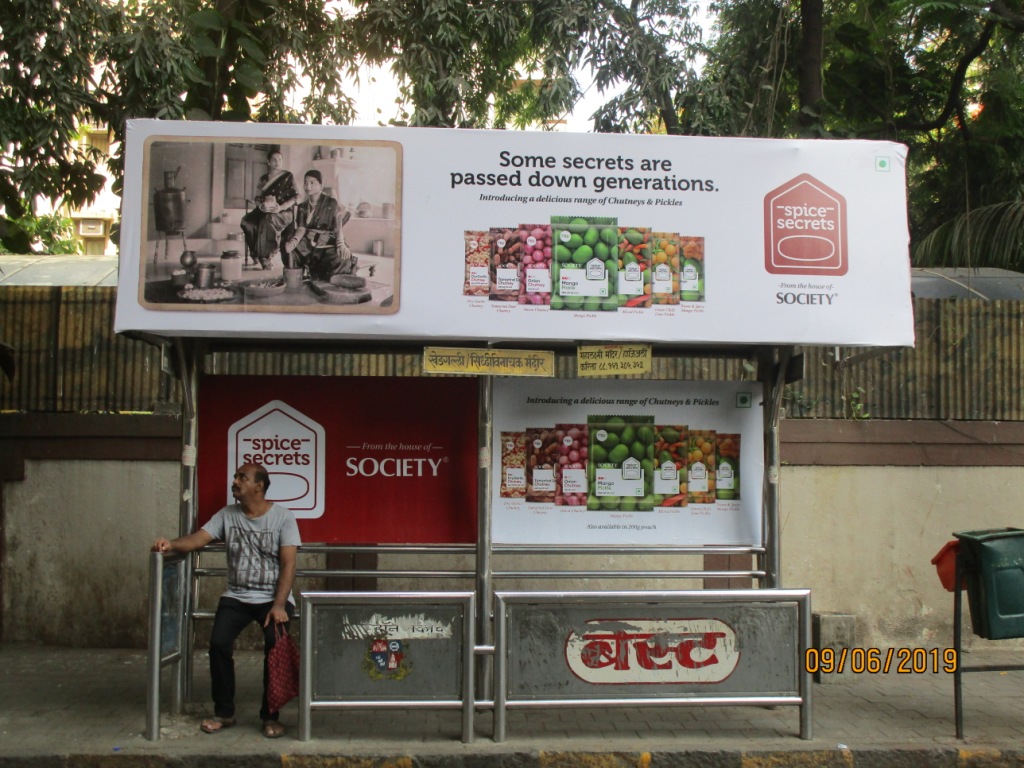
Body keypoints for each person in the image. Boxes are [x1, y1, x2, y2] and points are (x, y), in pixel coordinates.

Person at [151, 463, 300, 739]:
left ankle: (270, 716)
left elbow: (289, 565)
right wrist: (170, 544)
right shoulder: (226, 515)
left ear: (259, 486)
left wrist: (279, 605)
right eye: (235, 476)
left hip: (273, 598)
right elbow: (197, 539)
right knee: (218, 644)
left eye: (242, 477)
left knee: (275, 646)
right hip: (237, 596)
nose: (235, 481)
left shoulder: (283, 517)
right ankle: (224, 713)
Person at [281, 169, 358, 282]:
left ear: (321, 186)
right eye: (306, 182)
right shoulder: (302, 207)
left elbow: (337, 227)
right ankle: (302, 272)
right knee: (287, 244)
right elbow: (302, 228)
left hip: (328, 242)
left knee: (340, 258)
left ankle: (322, 274)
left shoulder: (331, 203)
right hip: (308, 243)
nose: (308, 186)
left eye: (312, 182)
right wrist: (294, 242)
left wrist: (341, 244)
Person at [239, 150, 298, 270]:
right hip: (266, 209)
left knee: (268, 219)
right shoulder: (263, 179)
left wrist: (280, 207)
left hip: (284, 211)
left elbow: (296, 196)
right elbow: (257, 198)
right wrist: (261, 206)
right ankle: (255, 252)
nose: (277, 162)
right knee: (246, 221)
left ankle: (266, 257)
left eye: (280, 160)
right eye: (274, 160)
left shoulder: (288, 176)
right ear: (268, 162)